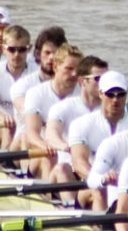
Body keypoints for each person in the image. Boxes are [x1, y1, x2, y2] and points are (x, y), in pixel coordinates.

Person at [44, 56, 108, 207]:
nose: (105, 84)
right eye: (99, 79)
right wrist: (67, 146)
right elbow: (51, 134)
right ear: (82, 82)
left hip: (96, 173)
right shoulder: (63, 108)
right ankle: (72, 211)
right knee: (62, 168)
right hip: (69, 174)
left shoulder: (113, 111)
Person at [22, 43, 82, 183]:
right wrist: (46, 146)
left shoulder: (84, 95)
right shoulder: (36, 93)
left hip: (72, 157)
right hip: (44, 154)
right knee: (49, 155)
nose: (74, 74)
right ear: (56, 67)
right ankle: (49, 196)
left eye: (78, 70)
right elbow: (32, 133)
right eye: (68, 69)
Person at [68, 70, 128, 188]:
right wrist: (100, 180)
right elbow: (79, 163)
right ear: (100, 94)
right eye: (110, 94)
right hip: (91, 184)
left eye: (121, 94)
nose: (115, 99)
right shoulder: (80, 124)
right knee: (99, 193)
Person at [9, 26, 67, 150]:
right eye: (47, 53)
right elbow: (28, 115)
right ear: (37, 54)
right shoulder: (21, 87)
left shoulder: (71, 87)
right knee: (25, 136)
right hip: (26, 145)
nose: (52, 58)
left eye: (56, 53)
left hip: (58, 143)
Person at [0, 25, 32, 150]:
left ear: (29, 49)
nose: (17, 54)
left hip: (26, 128)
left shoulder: (36, 72)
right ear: (3, 49)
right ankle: (6, 164)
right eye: (12, 50)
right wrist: (4, 118)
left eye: (22, 50)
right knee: (7, 128)